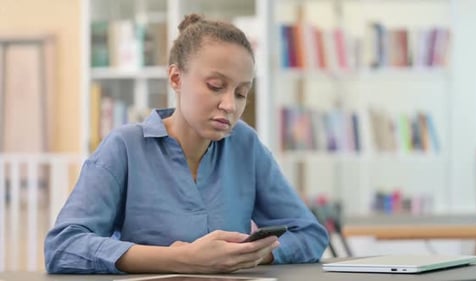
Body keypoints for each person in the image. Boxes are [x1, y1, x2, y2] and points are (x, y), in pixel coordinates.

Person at [44, 14, 328, 274]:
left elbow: (310, 235)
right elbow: (63, 248)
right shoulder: (124, 147)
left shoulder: (246, 145)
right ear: (176, 78)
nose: (230, 105)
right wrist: (181, 259)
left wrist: (248, 256)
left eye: (241, 93)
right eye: (216, 86)